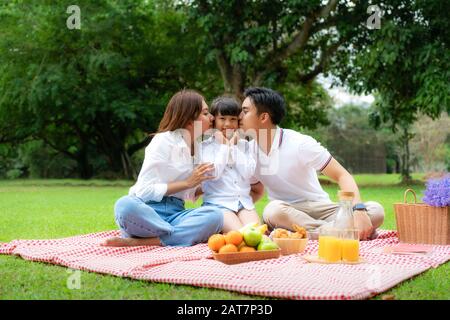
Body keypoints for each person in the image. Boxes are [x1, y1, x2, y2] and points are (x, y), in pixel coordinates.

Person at [239, 87, 385, 240]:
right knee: (272, 211)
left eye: (245, 111)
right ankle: (338, 232)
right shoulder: (248, 152)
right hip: (285, 212)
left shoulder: (300, 144)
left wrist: (359, 210)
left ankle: (310, 233)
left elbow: (342, 175)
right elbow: (256, 190)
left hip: (319, 207)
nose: (239, 116)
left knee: (376, 211)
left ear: (263, 117)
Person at [102, 89, 223, 247]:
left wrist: (212, 186)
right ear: (189, 120)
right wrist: (188, 183)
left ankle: (143, 241)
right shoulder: (163, 141)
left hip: (175, 213)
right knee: (124, 205)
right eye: (206, 113)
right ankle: (176, 235)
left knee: (215, 216)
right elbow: (143, 191)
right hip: (146, 211)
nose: (212, 118)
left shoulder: (199, 147)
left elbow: (188, 194)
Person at [198, 97, 261, 233]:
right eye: (222, 118)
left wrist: (233, 147)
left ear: (238, 122)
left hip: (244, 204)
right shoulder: (204, 147)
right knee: (240, 236)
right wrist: (226, 146)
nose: (228, 124)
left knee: (257, 235)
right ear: (214, 120)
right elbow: (214, 174)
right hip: (218, 204)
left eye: (233, 119)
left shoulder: (244, 146)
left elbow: (248, 173)